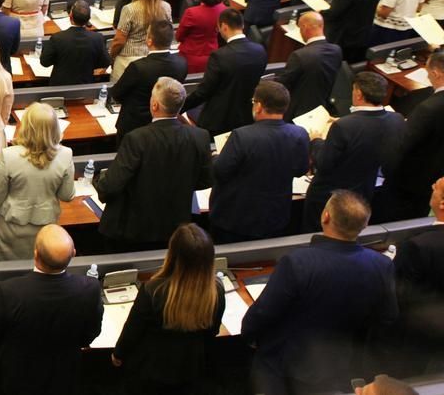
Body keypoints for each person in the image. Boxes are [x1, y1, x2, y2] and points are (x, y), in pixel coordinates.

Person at [243, 190, 398, 395]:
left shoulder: (297, 262)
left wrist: (249, 336)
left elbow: (263, 313)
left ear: (325, 216)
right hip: (338, 365)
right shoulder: (382, 265)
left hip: (283, 366)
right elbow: (387, 318)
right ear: (364, 225)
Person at [0, 225, 103, 395]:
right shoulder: (90, 289)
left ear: (35, 254)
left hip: (16, 378)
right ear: (73, 254)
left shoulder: (10, 291)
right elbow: (90, 334)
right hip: (63, 377)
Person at [94, 77, 213, 250]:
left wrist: (100, 182)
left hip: (136, 228)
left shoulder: (137, 139)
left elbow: (110, 186)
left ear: (155, 105)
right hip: (176, 225)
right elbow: (205, 180)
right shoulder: (200, 136)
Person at [112, 224, 226, 395]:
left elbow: (133, 331)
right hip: (191, 369)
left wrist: (118, 354)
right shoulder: (215, 291)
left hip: (150, 370)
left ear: (173, 254)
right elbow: (212, 331)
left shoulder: (153, 290)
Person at [303, 72, 405, 231]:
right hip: (363, 192)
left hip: (329, 196)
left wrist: (316, 140)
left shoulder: (344, 126)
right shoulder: (396, 119)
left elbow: (323, 162)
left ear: (358, 93)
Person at [210, 81, 310, 242]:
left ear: (258, 106)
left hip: (235, 219)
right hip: (276, 217)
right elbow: (301, 170)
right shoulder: (299, 134)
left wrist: (216, 156)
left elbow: (219, 171)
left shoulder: (241, 136)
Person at [0, 103, 75, 260]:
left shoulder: (9, 155)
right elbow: (66, 195)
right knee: (40, 264)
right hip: (46, 225)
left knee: (6, 267)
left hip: (12, 225)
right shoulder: (66, 154)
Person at [378, 53, 444, 222]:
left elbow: (401, 147)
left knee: (392, 220)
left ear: (436, 73)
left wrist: (386, 171)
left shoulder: (428, 109)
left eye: (427, 71)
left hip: (408, 183)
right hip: (434, 180)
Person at [389, 176, 444, 374]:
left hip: (416, 340)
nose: (431, 187)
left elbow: (396, 297)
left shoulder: (417, 247)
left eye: (436, 187)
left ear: (442, 203)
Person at [184, 9, 268, 137]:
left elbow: (203, 92)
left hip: (218, 121)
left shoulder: (219, 56)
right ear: (242, 25)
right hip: (247, 117)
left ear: (224, 26)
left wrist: (181, 107)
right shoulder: (260, 50)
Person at [112, 20, 189, 136]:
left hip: (134, 125)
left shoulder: (137, 67)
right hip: (165, 126)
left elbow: (117, 94)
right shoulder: (182, 64)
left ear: (149, 41)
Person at [277, 11, 343, 119]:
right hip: (322, 109)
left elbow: (283, 85)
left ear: (304, 27)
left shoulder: (300, 55)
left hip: (297, 113)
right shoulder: (336, 50)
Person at [110, 0, 170, 80]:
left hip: (128, 60)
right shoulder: (166, 7)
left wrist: (112, 55)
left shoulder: (129, 9)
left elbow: (119, 41)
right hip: (153, 59)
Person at [39, 0, 111, 85]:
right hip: (86, 86)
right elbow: (105, 62)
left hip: (59, 87)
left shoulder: (57, 38)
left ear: (70, 17)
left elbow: (44, 62)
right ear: (88, 19)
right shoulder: (97, 38)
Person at [176, 0, 226, 73]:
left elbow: (179, 36)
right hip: (212, 55)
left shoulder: (191, 13)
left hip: (190, 57)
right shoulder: (224, 10)